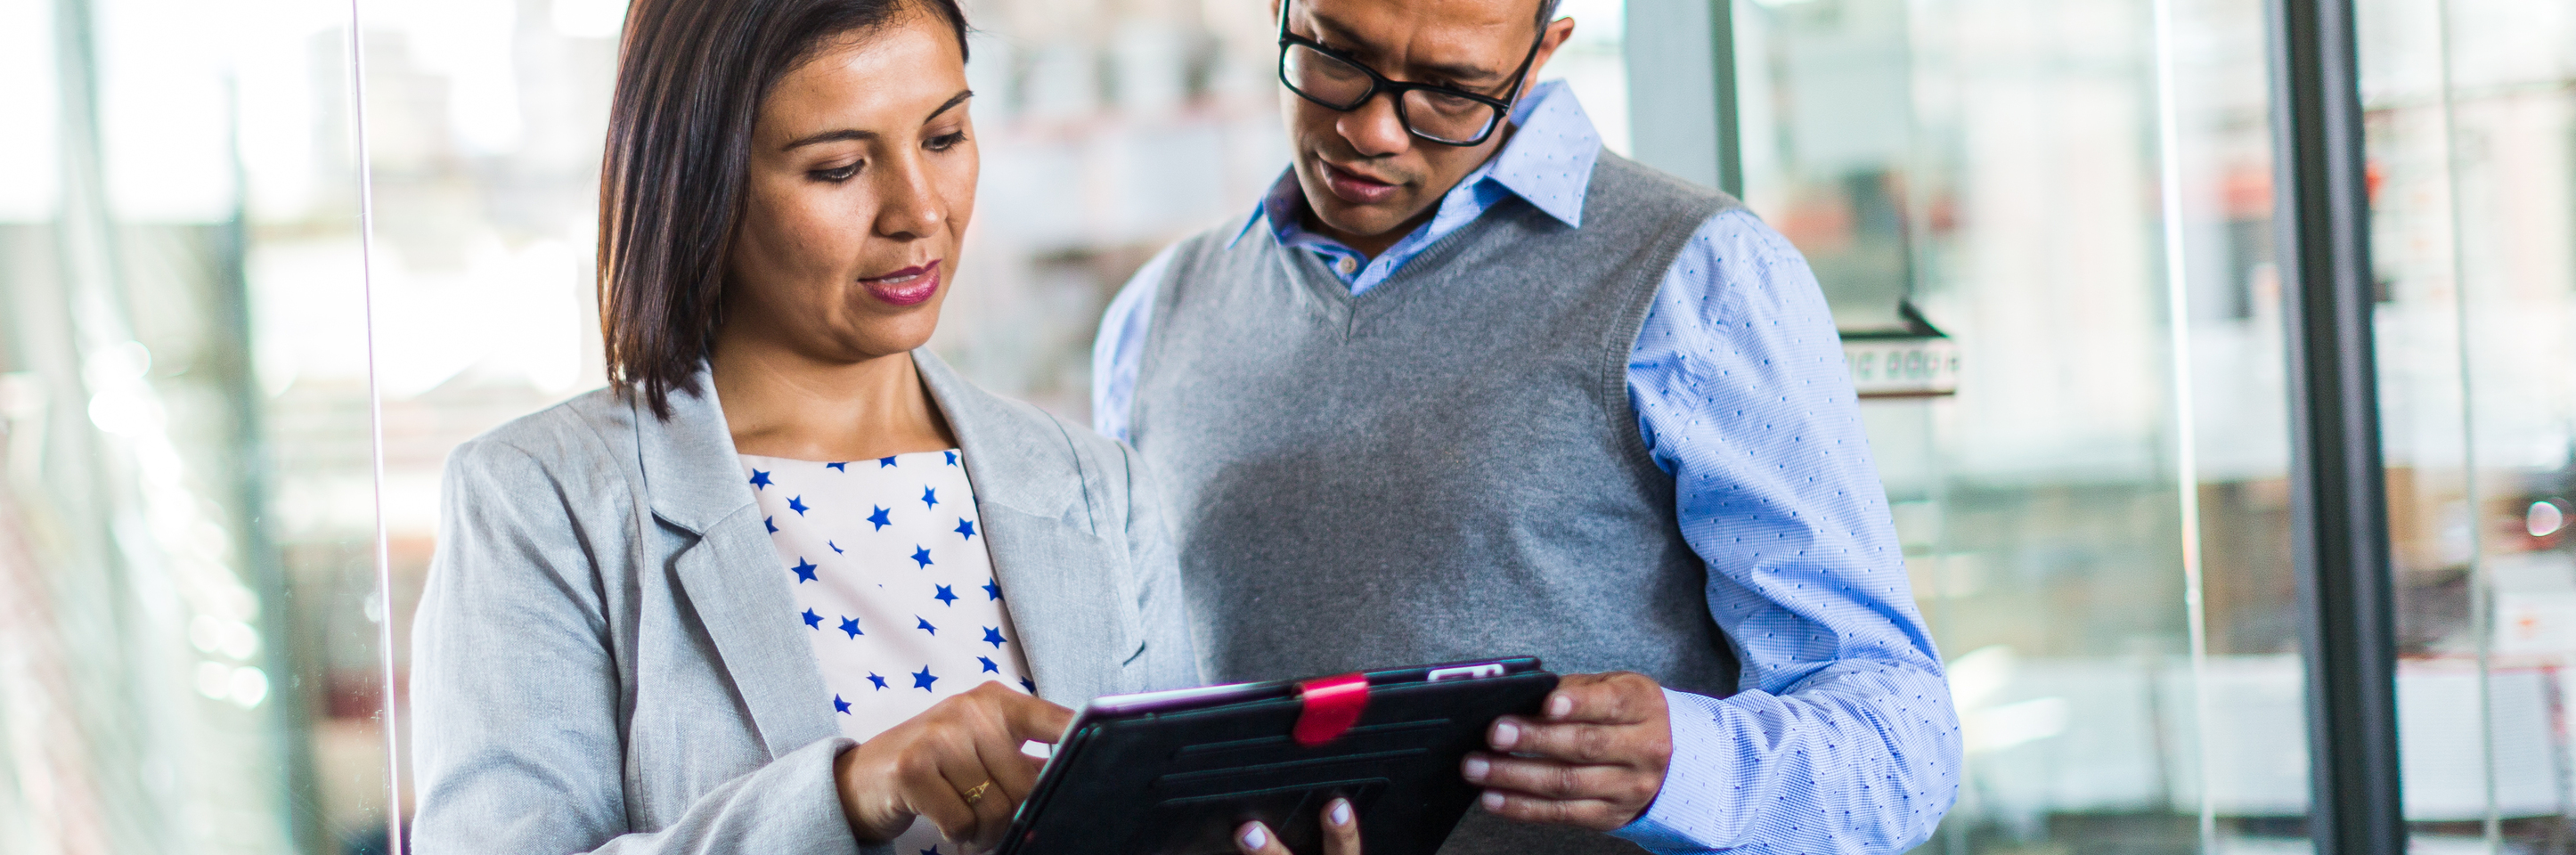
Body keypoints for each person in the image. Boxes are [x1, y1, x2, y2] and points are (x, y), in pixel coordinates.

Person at [1094, 0, 1962, 852]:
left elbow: (1902, 739)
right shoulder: (1156, 315)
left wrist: (1686, 765)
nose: (1372, 131)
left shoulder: (1700, 279)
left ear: (1543, 52)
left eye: (1450, 90)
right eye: (1333, 55)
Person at [406, 0, 1197, 851]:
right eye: (839, 168)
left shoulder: (1096, 486)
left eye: (943, 139)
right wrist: (849, 793)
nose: (919, 210)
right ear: (702, 180)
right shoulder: (540, 501)